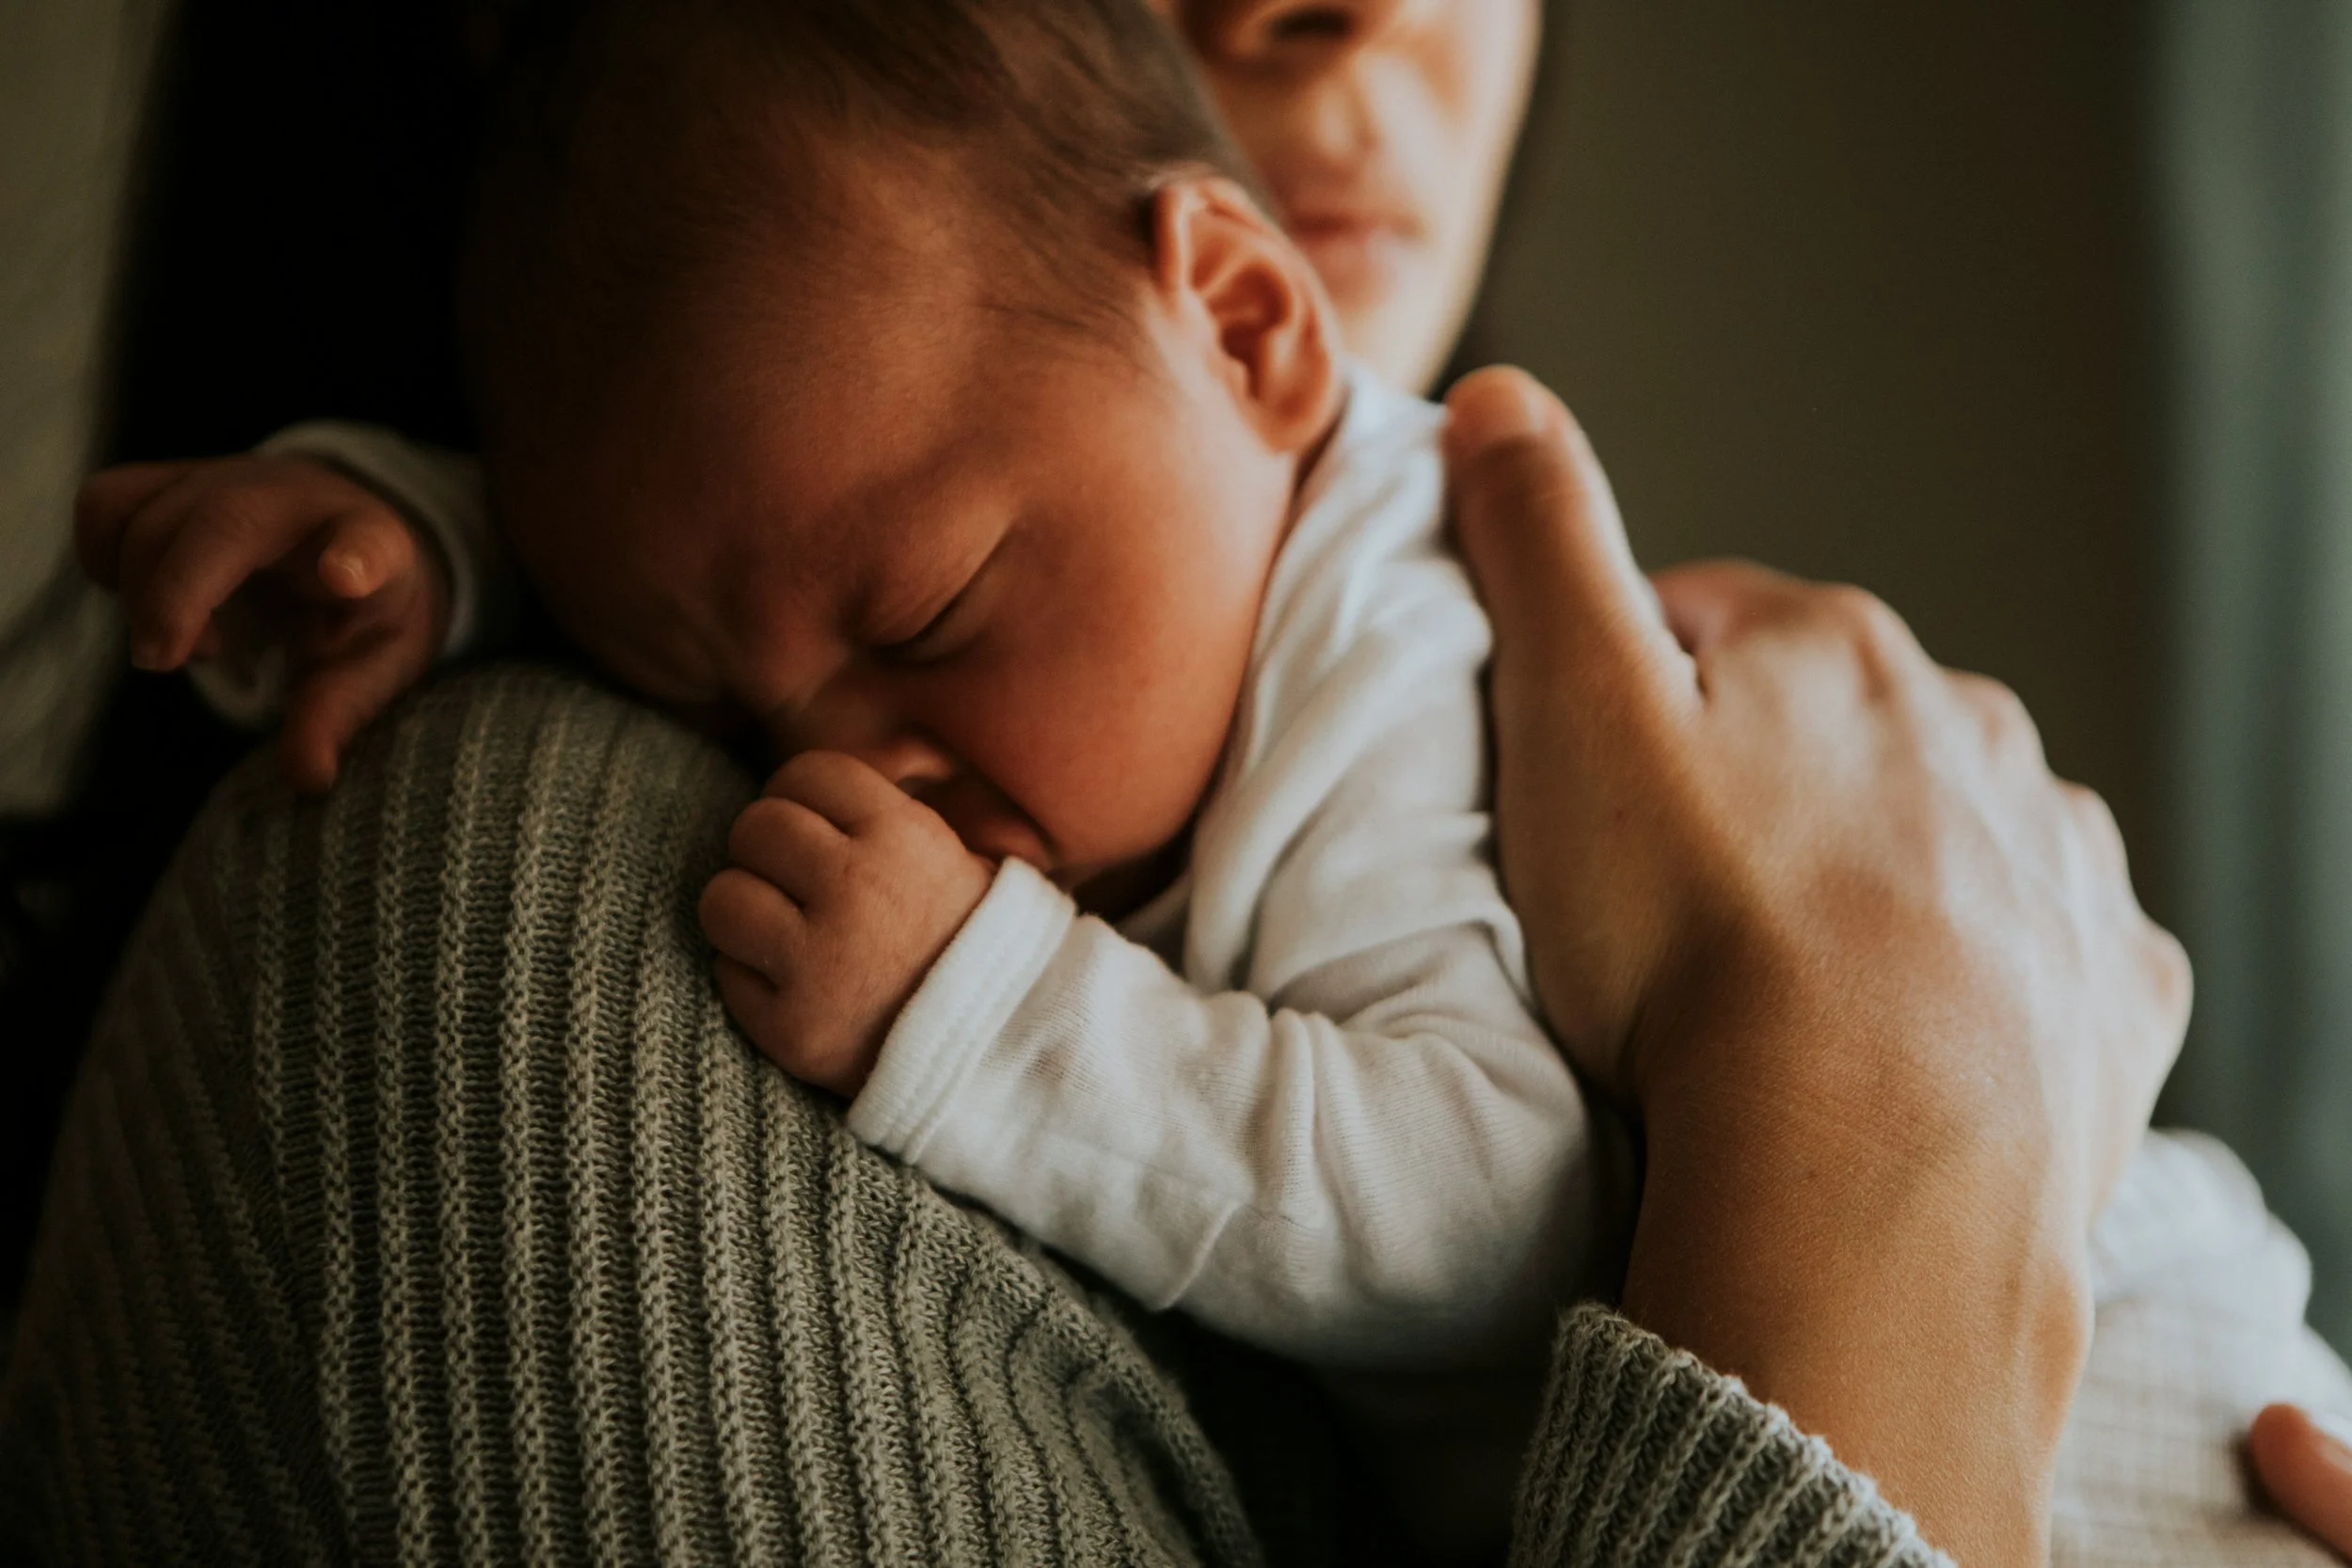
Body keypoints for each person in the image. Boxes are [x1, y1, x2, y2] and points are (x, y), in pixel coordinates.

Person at [7, 1, 2352, 1563]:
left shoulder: (1382, 665)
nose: (843, 776)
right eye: (723, 715)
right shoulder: (498, 907)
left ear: (1237, 319)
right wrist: (414, 531)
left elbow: (1477, 1200)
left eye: (926, 626)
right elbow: (761, 513)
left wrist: (992, 1019)